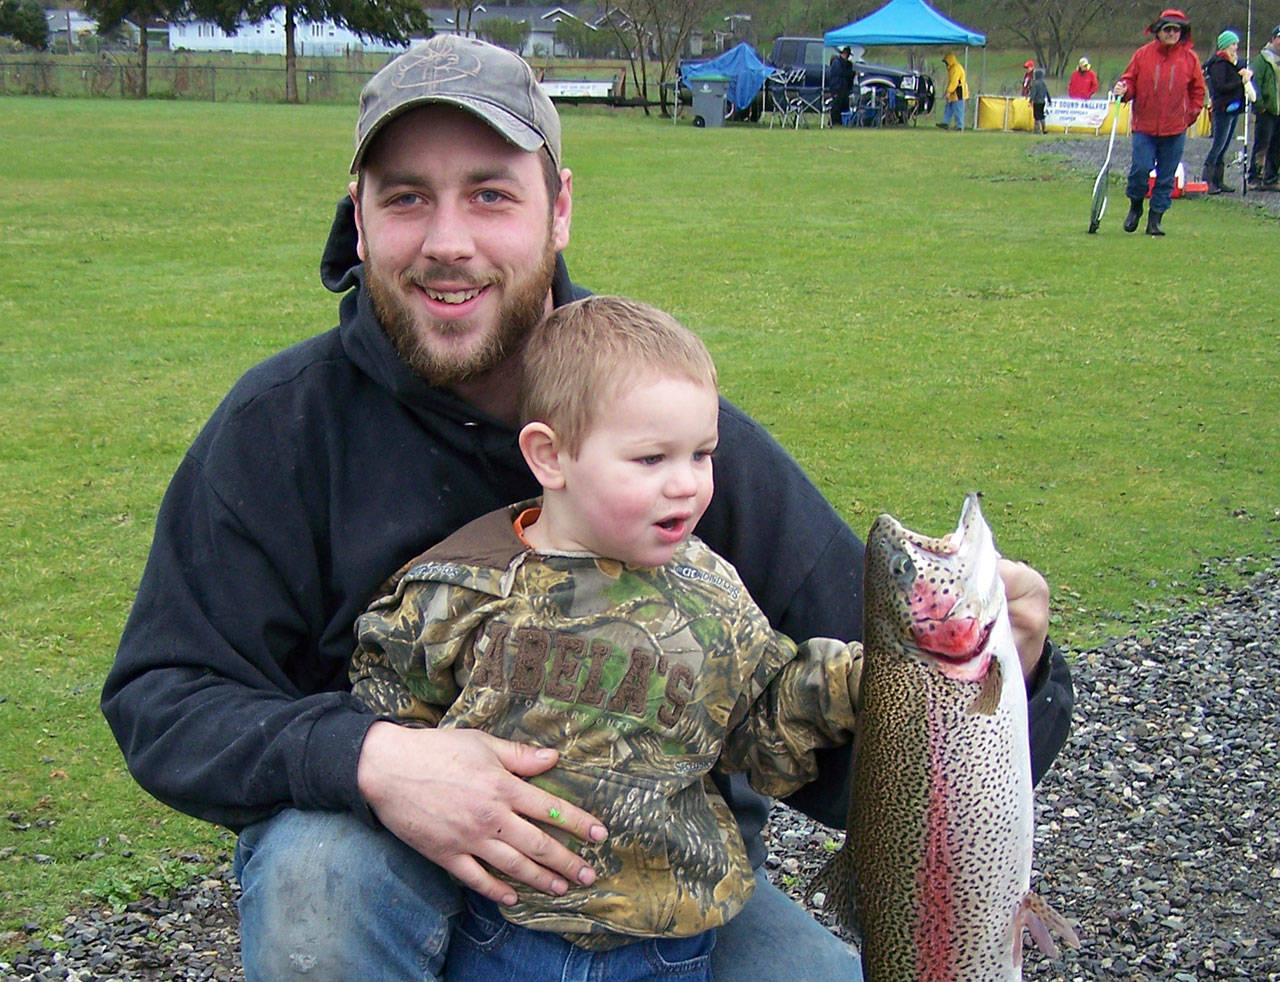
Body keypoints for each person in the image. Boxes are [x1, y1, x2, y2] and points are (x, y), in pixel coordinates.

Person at [100, 34, 1075, 982]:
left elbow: (856, 749)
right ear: (358, 219)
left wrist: (1000, 684)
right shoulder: (280, 431)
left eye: (490, 194)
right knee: (318, 880)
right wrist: (372, 759)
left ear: (557, 210)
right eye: (406, 198)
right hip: (395, 870)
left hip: (671, 902)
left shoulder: (670, 437)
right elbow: (164, 694)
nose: (448, 242)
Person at [351, 295, 867, 979]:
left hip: (669, 945)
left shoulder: (714, 594)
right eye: (651, 459)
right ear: (550, 456)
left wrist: (860, 680)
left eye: (702, 454)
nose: (685, 485)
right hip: (499, 932)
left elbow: (760, 733)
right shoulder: (464, 590)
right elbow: (386, 697)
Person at [1112, 8, 1206, 236]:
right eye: (1168, 29)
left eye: (1177, 29)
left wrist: (1189, 115)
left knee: (1166, 177)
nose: (1172, 33)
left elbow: (1198, 91)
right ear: (1159, 31)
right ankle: (1135, 207)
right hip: (1144, 126)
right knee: (1140, 170)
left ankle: (1156, 219)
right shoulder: (1142, 55)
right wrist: (1123, 90)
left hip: (1175, 129)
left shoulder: (1190, 59)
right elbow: (1129, 81)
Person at [1201, 30, 1253, 194]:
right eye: (1232, 44)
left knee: (1225, 146)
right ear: (1225, 46)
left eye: (1236, 44)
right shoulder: (1218, 64)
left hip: (1233, 108)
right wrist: (1240, 80)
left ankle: (1218, 180)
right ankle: (1207, 180)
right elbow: (1221, 86)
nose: (1235, 47)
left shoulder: (1234, 63)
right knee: (1218, 145)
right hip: (1222, 109)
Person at [1247, 25, 1280, 190]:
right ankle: (1255, 177)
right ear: (1273, 39)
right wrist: (1260, 106)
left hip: (1278, 109)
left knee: (1276, 146)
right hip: (1266, 110)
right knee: (1262, 144)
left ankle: (1271, 178)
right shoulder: (1262, 60)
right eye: (1279, 37)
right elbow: (1253, 84)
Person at [939, 51, 967, 130]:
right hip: (953, 91)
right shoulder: (952, 68)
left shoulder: (956, 68)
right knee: (949, 107)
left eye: (946, 62)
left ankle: (959, 126)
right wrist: (948, 91)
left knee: (958, 108)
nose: (946, 64)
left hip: (959, 91)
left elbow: (954, 82)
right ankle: (945, 123)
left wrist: (948, 92)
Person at [828, 45, 855, 127]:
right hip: (838, 87)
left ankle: (842, 122)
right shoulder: (837, 63)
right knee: (836, 106)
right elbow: (842, 73)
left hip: (843, 88)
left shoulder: (846, 64)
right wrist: (853, 73)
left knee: (843, 105)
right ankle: (835, 122)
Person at [1028, 67, 1052, 133]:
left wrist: (1030, 101)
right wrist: (1049, 100)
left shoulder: (1035, 83)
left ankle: (1037, 129)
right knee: (1041, 115)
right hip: (1043, 102)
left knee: (1036, 116)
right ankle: (1044, 128)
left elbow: (1033, 93)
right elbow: (1047, 92)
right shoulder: (1043, 83)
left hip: (1037, 102)